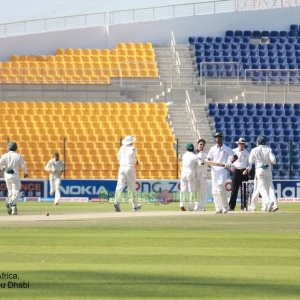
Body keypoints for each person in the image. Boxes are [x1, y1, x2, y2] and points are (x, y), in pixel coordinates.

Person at [207, 132, 238, 214]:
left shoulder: (226, 148)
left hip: (222, 170)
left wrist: (229, 163)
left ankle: (225, 207)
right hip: (214, 171)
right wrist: (210, 165)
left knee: (220, 187)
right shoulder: (212, 149)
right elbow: (209, 159)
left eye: (219, 138)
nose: (218, 139)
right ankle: (218, 208)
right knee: (214, 190)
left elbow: (235, 157)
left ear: (222, 138)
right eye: (217, 138)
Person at [248, 135, 278, 212]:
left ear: (258, 142)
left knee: (261, 187)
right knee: (268, 188)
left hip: (259, 169)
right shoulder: (269, 149)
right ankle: (267, 205)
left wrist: (258, 160)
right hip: (268, 169)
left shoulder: (254, 149)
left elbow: (250, 161)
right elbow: (274, 161)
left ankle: (268, 202)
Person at [0, 141, 28, 215]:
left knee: (10, 192)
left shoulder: (4, 155)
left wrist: (2, 169)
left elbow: (0, 164)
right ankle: (11, 203)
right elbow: (23, 166)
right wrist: (25, 173)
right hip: (15, 175)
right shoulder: (18, 156)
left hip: (7, 175)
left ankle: (13, 209)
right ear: (16, 148)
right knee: (16, 192)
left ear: (8, 147)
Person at [114, 135, 141, 212]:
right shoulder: (133, 148)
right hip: (129, 168)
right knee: (132, 187)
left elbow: (118, 157)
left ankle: (116, 201)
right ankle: (135, 206)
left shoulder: (121, 148)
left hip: (121, 167)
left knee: (119, 185)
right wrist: (136, 162)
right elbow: (132, 158)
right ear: (131, 142)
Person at [228, 137, 252, 211]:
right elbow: (229, 161)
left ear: (244, 145)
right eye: (240, 144)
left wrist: (247, 170)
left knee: (244, 191)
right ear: (238, 144)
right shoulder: (233, 151)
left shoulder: (247, 153)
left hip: (244, 172)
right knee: (234, 190)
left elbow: (250, 164)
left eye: (243, 144)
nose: (241, 145)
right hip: (236, 171)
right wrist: (231, 167)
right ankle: (231, 207)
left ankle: (244, 207)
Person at [179, 143, 200, 211]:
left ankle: (182, 204)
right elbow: (200, 163)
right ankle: (191, 207)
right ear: (193, 149)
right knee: (191, 190)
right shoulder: (194, 156)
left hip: (183, 173)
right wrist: (202, 162)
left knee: (183, 189)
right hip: (191, 173)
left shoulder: (184, 155)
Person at [194, 139, 208, 211]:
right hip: (196, 175)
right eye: (200, 144)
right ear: (197, 145)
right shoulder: (193, 154)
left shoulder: (205, 155)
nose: (201, 146)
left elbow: (207, 163)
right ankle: (196, 205)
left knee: (203, 191)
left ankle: (202, 206)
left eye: (203, 144)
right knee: (196, 191)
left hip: (203, 175)